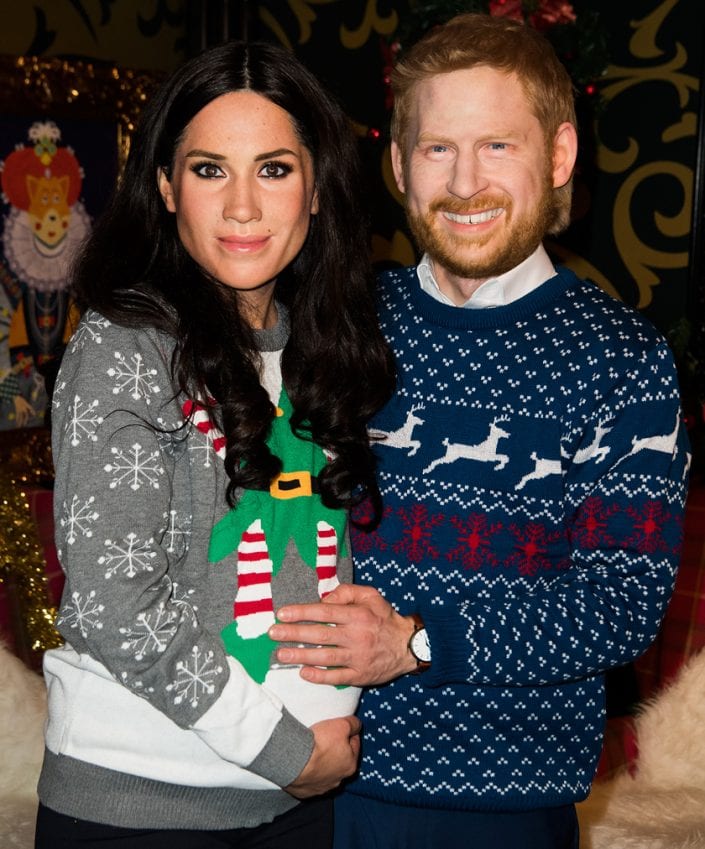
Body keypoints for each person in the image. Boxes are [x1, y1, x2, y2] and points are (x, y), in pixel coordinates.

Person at [268, 13, 691, 849]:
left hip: (499, 813)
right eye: (437, 149)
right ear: (396, 163)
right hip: (295, 788)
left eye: (497, 146)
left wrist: (414, 641)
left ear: (558, 156)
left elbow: (622, 605)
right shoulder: (336, 324)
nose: (465, 183)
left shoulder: (625, 362)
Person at [34, 39, 395, 849]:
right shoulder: (124, 343)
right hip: (147, 808)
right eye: (208, 170)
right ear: (164, 185)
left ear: (315, 190)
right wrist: (285, 751)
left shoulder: (325, 344)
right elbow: (112, 600)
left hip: (302, 803)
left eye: (272, 169)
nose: (241, 207)